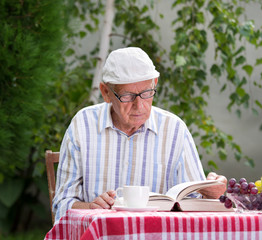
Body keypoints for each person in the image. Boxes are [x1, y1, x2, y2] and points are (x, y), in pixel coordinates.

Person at [52, 47, 227, 223]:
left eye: (147, 93)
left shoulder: (174, 130)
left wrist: (211, 193)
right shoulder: (82, 125)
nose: (140, 106)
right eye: (128, 96)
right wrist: (91, 207)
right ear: (105, 92)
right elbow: (62, 204)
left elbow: (195, 204)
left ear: (155, 84)